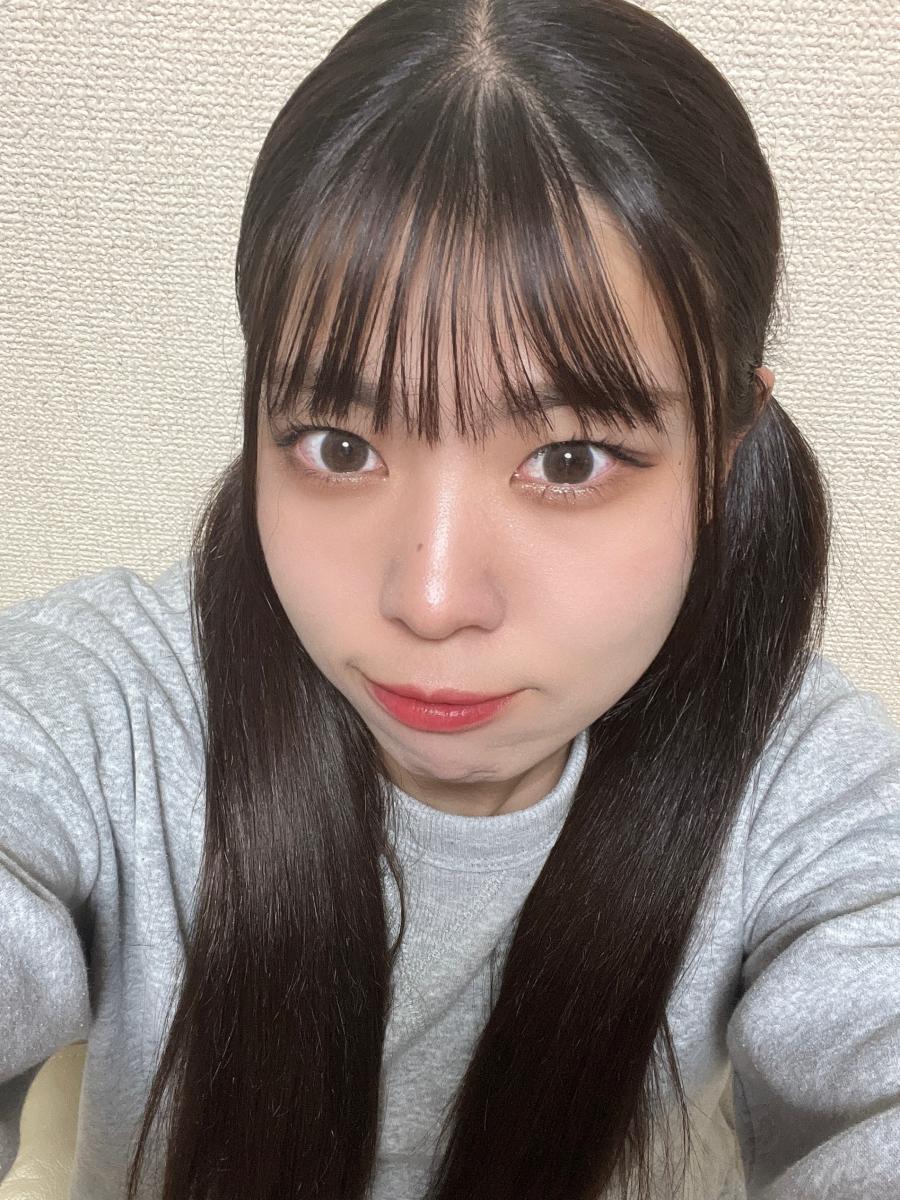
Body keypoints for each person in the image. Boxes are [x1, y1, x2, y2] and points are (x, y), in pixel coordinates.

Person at [1, 0, 898, 1197]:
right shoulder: (114, 717)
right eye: (338, 444)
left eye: (569, 459)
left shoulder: (805, 802)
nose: (430, 601)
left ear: (725, 453)